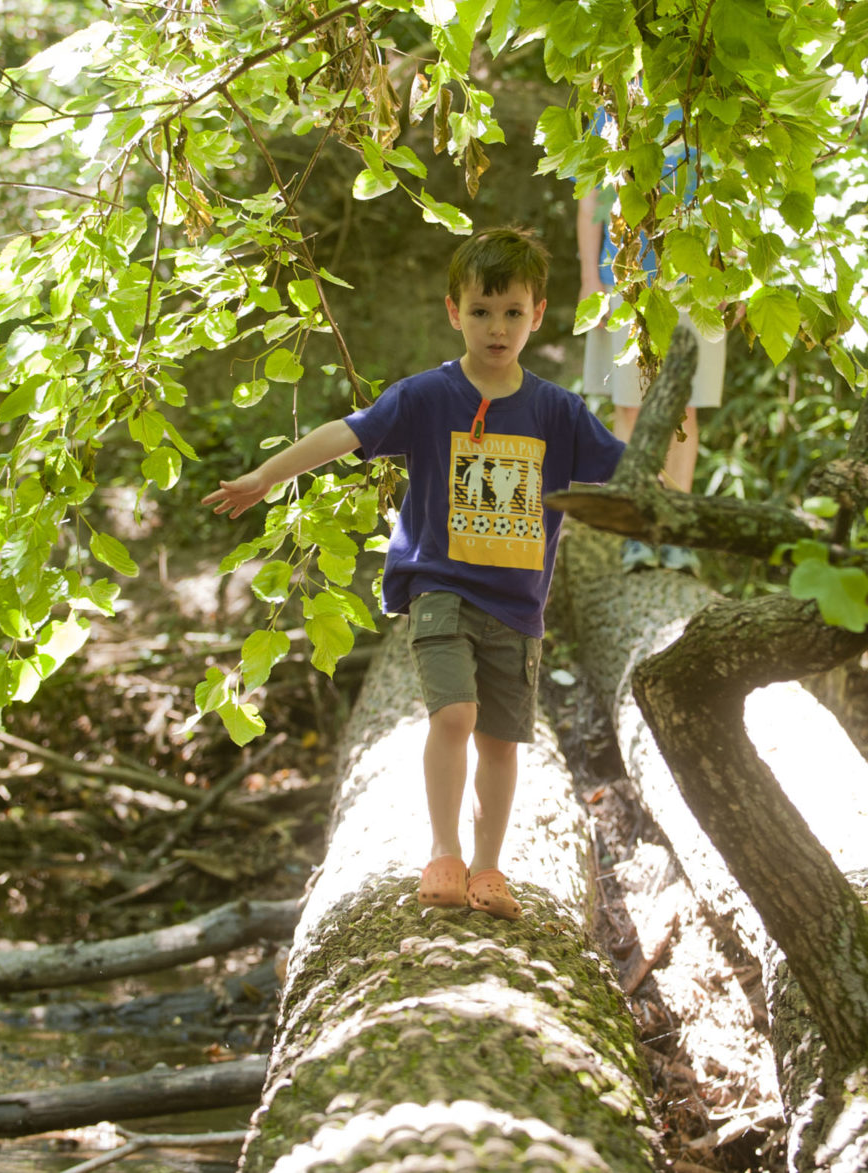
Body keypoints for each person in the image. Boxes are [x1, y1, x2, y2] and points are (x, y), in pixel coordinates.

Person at [201, 227, 626, 921]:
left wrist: (680, 478)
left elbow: (621, 468)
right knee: (455, 713)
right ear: (454, 311)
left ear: (538, 315)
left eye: (513, 312)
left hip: (517, 607)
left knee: (500, 741)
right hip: (442, 586)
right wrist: (265, 475)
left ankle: (489, 868)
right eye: (483, 311)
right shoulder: (429, 396)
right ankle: (443, 849)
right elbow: (348, 431)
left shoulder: (555, 409)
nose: (498, 326)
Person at [577, 101, 726, 570]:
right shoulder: (613, 102)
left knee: (682, 407)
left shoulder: (703, 94)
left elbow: (727, 195)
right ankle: (638, 532)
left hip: (691, 281)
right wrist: (589, 280)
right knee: (629, 407)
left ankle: (676, 531)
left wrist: (725, 272)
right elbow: (590, 203)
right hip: (622, 278)